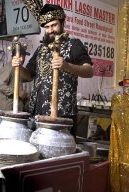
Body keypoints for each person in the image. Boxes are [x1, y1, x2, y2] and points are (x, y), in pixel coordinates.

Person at [12, 4, 93, 137]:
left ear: (62, 23)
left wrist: (67, 66)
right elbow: (28, 76)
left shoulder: (74, 44)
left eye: (54, 25)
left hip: (63, 116)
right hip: (37, 113)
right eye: (47, 27)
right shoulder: (41, 49)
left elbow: (89, 71)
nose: (51, 30)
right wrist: (18, 67)